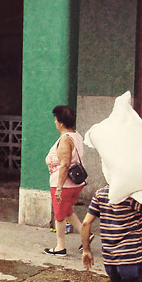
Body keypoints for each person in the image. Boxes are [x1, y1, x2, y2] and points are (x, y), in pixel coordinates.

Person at [44, 105, 85, 256]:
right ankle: (85, 234)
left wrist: (59, 187)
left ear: (60, 122)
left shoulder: (65, 140)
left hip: (63, 184)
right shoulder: (76, 135)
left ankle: (60, 246)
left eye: (56, 119)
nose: (55, 122)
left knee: (59, 215)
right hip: (74, 183)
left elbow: (65, 164)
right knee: (67, 210)